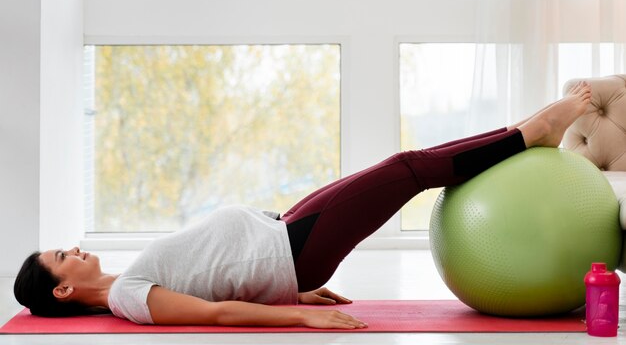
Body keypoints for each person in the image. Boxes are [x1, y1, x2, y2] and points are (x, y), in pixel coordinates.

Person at [14, 82, 592, 329]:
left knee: (404, 165)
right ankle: (531, 132)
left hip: (285, 239)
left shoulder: (125, 285)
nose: (76, 249)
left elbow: (212, 282)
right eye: (64, 256)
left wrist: (292, 289)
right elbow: (218, 315)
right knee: (406, 170)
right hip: (290, 250)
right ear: (62, 288)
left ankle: (524, 131)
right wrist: (299, 313)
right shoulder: (127, 299)